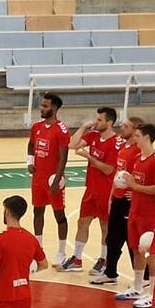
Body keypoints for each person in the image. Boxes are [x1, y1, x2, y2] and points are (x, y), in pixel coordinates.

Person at [61, 107, 123, 273]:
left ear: (110, 123)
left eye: (100, 120)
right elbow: (72, 144)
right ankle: (77, 259)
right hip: (91, 188)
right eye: (96, 119)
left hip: (106, 190)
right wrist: (83, 127)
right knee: (82, 222)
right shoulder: (93, 135)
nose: (96, 122)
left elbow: (109, 170)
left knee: (105, 226)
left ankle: (104, 260)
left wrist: (88, 157)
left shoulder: (116, 143)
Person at [93, 115, 143, 287]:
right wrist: (111, 196)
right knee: (112, 238)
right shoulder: (123, 148)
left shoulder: (138, 151)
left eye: (126, 125)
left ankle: (142, 279)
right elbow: (118, 175)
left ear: (135, 131)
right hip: (117, 199)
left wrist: (136, 193)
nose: (122, 127)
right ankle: (110, 273)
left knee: (131, 241)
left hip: (129, 202)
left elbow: (141, 175)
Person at [117, 123, 155, 307]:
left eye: (137, 135)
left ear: (146, 137)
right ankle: (137, 287)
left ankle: (153, 293)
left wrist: (136, 187)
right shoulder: (137, 158)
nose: (134, 138)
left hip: (150, 214)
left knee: (151, 252)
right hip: (134, 211)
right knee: (136, 249)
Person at [27, 93, 70, 263]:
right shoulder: (36, 127)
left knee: (59, 215)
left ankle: (61, 252)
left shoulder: (61, 130)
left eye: (45, 106)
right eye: (41, 106)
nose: (41, 109)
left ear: (54, 108)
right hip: (38, 178)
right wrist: (30, 161)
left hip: (53, 180)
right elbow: (31, 144)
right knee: (37, 211)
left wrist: (57, 181)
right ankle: (38, 249)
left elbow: (63, 158)